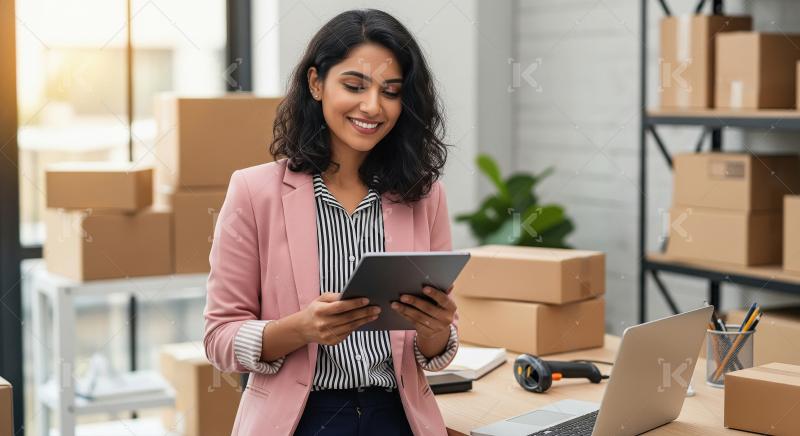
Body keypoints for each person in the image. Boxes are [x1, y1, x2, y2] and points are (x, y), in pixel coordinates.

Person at [203, 8, 460, 435]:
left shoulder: (425, 196)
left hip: (396, 416)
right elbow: (219, 338)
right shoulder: (254, 191)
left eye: (391, 91)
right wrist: (300, 328)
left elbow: (436, 351)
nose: (372, 106)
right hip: (301, 419)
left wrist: (434, 329)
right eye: (354, 86)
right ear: (316, 83)